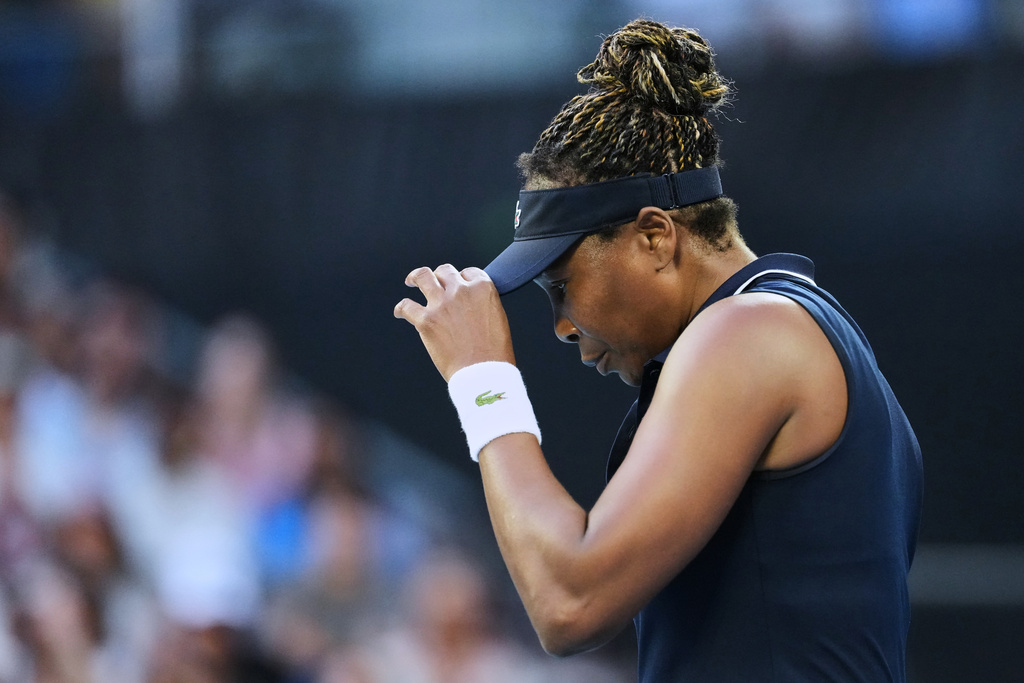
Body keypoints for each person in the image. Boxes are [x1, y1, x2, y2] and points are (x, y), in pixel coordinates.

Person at [394, 18, 922, 682]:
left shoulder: (749, 333)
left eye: (561, 286)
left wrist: (482, 378)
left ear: (655, 237)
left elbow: (569, 601)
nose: (560, 326)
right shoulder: (795, 325)